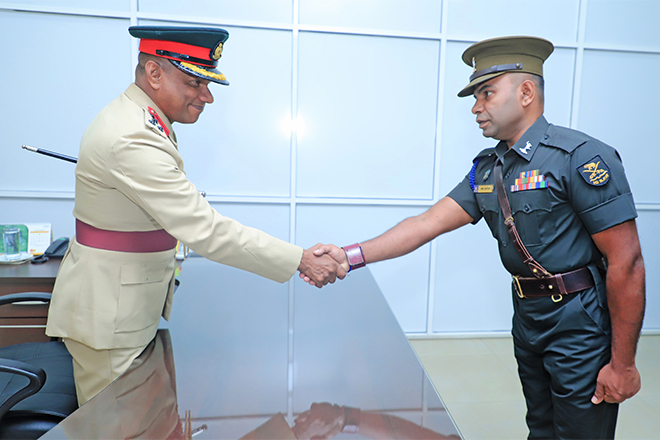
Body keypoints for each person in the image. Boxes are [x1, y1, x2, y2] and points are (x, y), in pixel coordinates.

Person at [308, 36, 645, 439]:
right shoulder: (489, 168)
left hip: (579, 322)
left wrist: (623, 365)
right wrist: (349, 256)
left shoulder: (581, 157)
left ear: (525, 92)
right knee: (541, 428)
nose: (475, 107)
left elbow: (626, 262)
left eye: (487, 93)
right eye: (475, 96)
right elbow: (427, 223)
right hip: (528, 318)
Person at [45, 26, 344, 406]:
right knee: (117, 427)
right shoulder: (132, 135)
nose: (207, 96)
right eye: (194, 83)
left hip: (123, 309)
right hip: (111, 322)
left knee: (141, 421)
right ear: (155, 73)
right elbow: (204, 228)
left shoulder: (142, 120)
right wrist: (300, 259)